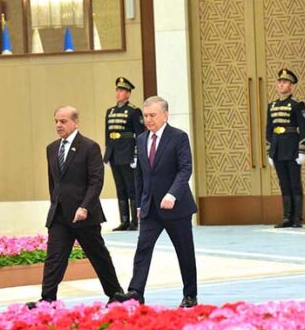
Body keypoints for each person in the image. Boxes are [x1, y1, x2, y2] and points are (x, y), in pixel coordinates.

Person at [30, 106, 123, 307]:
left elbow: (96, 181)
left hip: (84, 215)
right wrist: (55, 204)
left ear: (76, 122)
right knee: (54, 258)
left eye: (63, 121)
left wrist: (85, 207)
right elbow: (53, 183)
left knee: (98, 256)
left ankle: (115, 293)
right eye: (56, 121)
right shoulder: (52, 148)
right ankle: (47, 299)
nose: (58, 125)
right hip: (60, 215)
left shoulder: (89, 147)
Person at [113, 96, 198, 308]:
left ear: (165, 115)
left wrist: (172, 194)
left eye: (153, 115)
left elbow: (185, 168)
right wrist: (140, 204)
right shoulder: (141, 139)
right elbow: (140, 175)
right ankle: (136, 292)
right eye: (146, 116)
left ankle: (190, 294)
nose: (148, 120)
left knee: (184, 252)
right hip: (150, 207)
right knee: (143, 248)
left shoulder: (178, 137)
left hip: (176, 207)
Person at [266, 69, 305, 228]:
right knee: (284, 184)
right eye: (280, 82)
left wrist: (302, 150)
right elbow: (269, 129)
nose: (281, 84)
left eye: (285, 82)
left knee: (294, 184)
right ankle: (287, 218)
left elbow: (304, 128)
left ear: (291, 86)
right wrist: (270, 151)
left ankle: (297, 218)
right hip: (278, 149)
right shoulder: (271, 106)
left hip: (292, 148)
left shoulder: (297, 105)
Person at [104, 77, 145, 231]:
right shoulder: (111, 111)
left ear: (128, 94)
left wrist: (136, 155)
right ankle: (124, 221)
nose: (118, 93)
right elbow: (108, 134)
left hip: (128, 154)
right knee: (120, 188)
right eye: (117, 90)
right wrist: (107, 155)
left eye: (122, 91)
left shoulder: (134, 111)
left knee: (131, 189)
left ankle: (135, 222)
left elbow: (140, 135)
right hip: (115, 154)